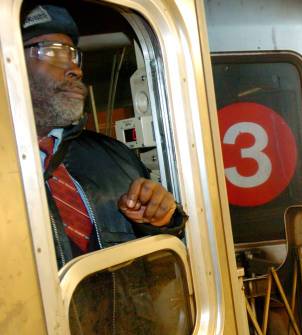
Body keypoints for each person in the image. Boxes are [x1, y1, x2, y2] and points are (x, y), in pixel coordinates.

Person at [22, 5, 187, 267]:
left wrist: (162, 221)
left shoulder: (114, 158)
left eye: (74, 55)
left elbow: (163, 267)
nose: (75, 69)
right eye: (53, 51)